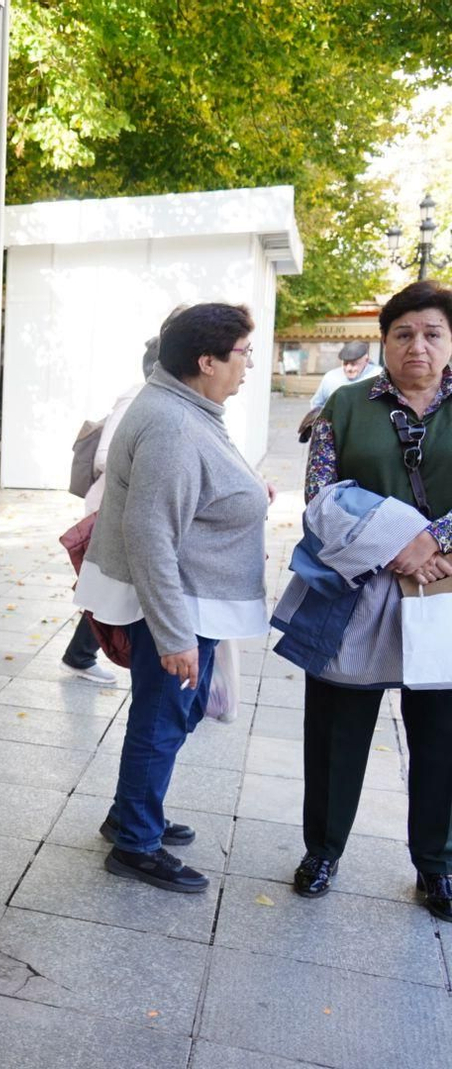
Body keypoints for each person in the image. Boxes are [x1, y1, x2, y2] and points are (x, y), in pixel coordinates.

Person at [75, 303, 270, 893]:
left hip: (192, 595)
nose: (250, 366)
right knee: (162, 720)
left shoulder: (185, 406)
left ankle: (133, 812)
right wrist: (174, 635)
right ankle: (135, 842)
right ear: (206, 361)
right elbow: (150, 532)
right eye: (243, 353)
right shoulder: (173, 423)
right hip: (178, 602)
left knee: (168, 717)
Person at [279, 280, 452, 919]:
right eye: (404, 333)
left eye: (433, 333)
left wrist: (432, 540)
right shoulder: (346, 406)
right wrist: (396, 543)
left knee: (442, 736)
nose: (418, 346)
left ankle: (438, 864)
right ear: (384, 342)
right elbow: (319, 496)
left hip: (443, 591)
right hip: (355, 592)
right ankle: (322, 850)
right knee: (335, 732)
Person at [62, 332, 165, 685]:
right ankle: (81, 655)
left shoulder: (158, 399)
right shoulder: (136, 397)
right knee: (111, 587)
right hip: (112, 508)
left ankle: (80, 654)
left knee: (111, 588)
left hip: (125, 509)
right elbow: (106, 455)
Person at [298, 340, 380, 442]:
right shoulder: (331, 377)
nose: (349, 368)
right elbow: (317, 404)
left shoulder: (378, 376)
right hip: (334, 435)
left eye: (354, 364)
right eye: (345, 364)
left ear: (366, 360)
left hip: (368, 435)